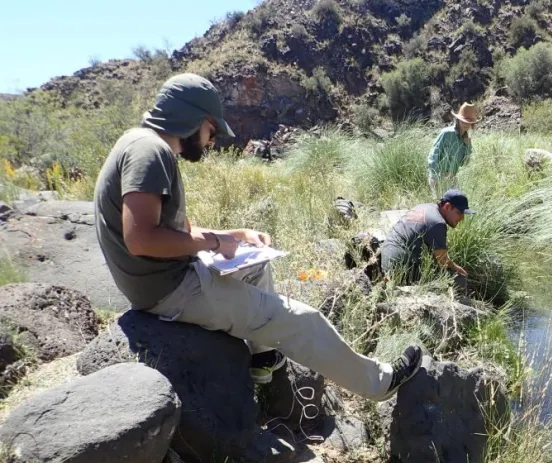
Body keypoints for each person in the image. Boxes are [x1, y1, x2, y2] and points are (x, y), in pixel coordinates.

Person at [93, 73, 421, 398]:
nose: (211, 140)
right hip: (170, 291)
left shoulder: (138, 142)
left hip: (163, 280)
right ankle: (380, 383)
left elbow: (173, 230)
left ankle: (261, 358)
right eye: (212, 130)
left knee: (257, 267)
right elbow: (141, 239)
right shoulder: (151, 152)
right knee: (304, 321)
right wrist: (213, 243)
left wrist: (233, 235)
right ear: (195, 119)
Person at [380, 189, 472, 300]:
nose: (462, 219)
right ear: (447, 207)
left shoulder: (424, 207)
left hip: (387, 255)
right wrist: (458, 268)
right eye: (459, 213)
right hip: (401, 265)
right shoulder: (437, 222)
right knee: (458, 277)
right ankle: (456, 306)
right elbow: (443, 261)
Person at [427, 102, 478, 195]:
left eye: (469, 122)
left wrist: (467, 145)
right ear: (458, 120)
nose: (466, 124)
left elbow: (464, 163)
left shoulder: (466, 140)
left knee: (459, 203)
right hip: (438, 175)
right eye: (464, 120)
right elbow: (433, 154)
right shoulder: (446, 133)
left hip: (452, 177)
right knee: (442, 206)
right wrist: (436, 175)